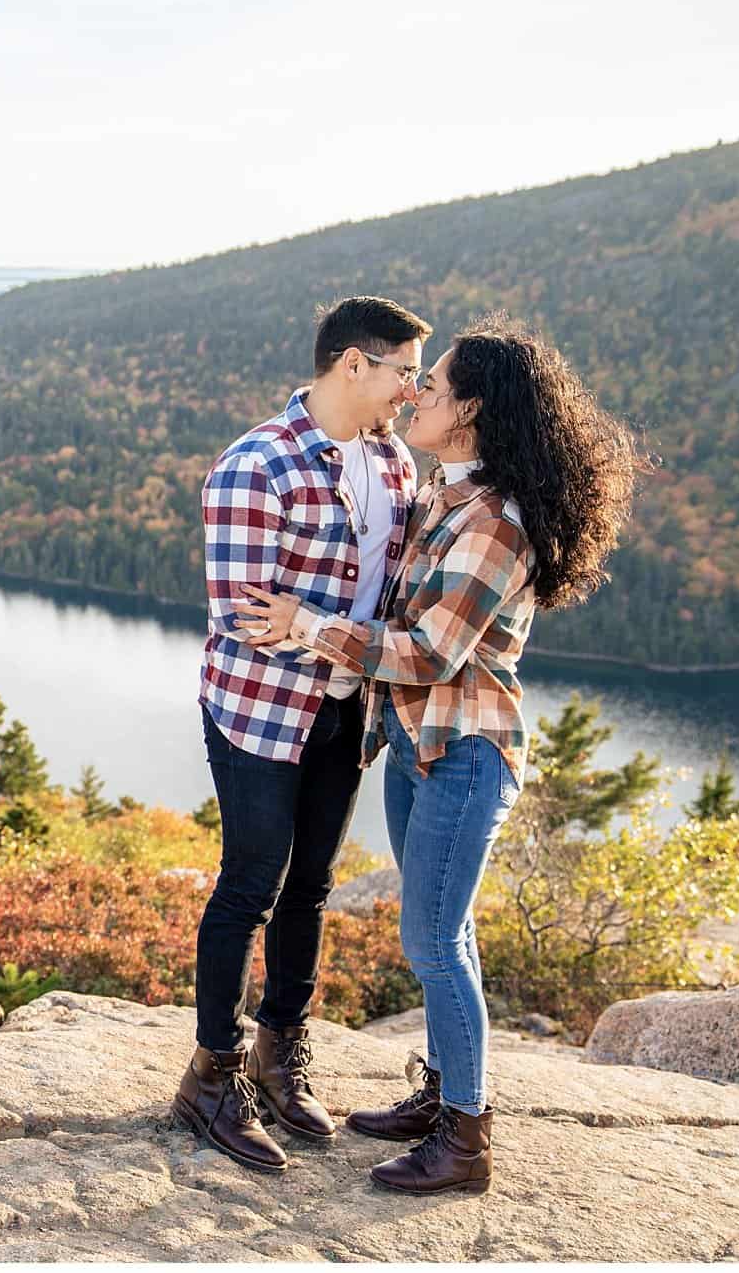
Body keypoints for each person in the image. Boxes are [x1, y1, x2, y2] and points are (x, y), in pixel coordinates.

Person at [234, 313, 640, 1194]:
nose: (415, 392)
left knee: (432, 941)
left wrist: (305, 626)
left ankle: (466, 1139)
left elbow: (427, 652)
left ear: (473, 411)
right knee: (445, 935)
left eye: (435, 382)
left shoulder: (495, 521)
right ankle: (445, 1093)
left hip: (466, 753)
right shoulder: (444, 490)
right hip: (420, 750)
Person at [175, 296, 430, 1174]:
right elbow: (249, 617)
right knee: (250, 882)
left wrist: (320, 627)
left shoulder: (393, 463)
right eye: (404, 370)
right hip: (259, 708)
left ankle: (281, 1053)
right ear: (352, 365)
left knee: (312, 886)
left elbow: (383, 596)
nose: (413, 388)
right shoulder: (259, 465)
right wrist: (323, 626)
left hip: (343, 707)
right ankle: (210, 1077)